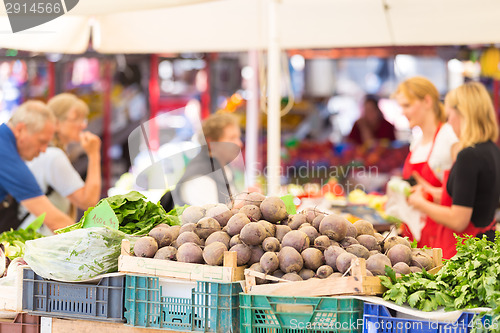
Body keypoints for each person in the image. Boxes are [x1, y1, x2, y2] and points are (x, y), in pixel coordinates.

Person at [408, 82, 500, 259]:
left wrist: (420, 204)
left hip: (464, 253)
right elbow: (470, 196)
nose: (449, 122)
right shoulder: (491, 150)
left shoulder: (469, 155)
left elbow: (458, 220)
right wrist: (430, 191)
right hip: (483, 248)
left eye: (450, 116)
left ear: (463, 114)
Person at [19, 93, 102, 233]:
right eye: (76, 119)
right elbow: (89, 201)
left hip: (30, 238)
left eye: (84, 119)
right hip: (40, 241)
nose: (83, 125)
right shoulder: (53, 156)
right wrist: (94, 154)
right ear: (55, 123)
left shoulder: (47, 153)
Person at [392, 76, 459, 248]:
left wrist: (426, 195)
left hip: (442, 239)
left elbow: (458, 196)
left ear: (427, 101)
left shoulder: (448, 138)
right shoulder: (418, 141)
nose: (403, 112)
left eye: (407, 105)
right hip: (416, 234)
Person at [0, 100, 74, 232]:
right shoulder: (6, 156)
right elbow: (55, 221)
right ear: (20, 129)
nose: (44, 150)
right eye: (42, 141)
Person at [161, 112, 243, 209]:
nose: (239, 143)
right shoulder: (198, 177)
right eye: (232, 138)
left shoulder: (224, 167)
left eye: (238, 137)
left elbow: (231, 200)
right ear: (211, 142)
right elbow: (211, 219)